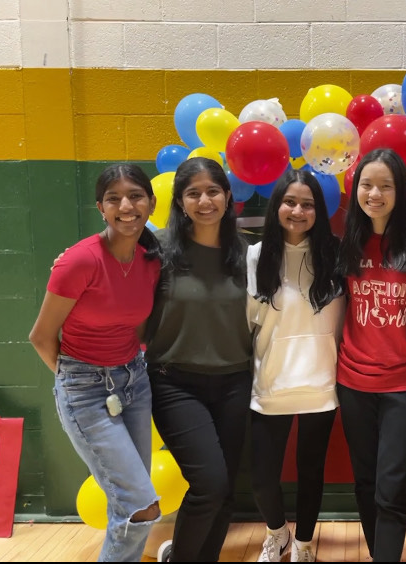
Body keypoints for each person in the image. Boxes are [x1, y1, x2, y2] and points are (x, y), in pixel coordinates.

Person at [28, 164, 162, 562]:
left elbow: (138, 327)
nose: (126, 205)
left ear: (151, 203)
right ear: (100, 208)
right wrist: (76, 382)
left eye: (136, 195)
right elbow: (40, 336)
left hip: (134, 383)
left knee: (127, 504)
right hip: (85, 390)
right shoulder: (79, 261)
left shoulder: (151, 258)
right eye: (114, 198)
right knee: (141, 507)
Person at [144, 157, 253, 562]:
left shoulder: (248, 256)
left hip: (235, 383)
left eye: (212, 191)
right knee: (208, 484)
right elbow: (108, 269)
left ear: (227, 196)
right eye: (193, 193)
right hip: (174, 382)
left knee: (224, 492)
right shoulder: (158, 252)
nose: (204, 200)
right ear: (180, 201)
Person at [334, 148, 406, 562]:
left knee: (391, 489)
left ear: (400, 192)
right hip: (353, 381)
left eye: (385, 185)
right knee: (365, 483)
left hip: (405, 384)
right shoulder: (346, 245)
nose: (375, 193)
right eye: (367, 185)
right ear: (356, 190)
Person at [246, 169, 346, 563]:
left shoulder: (335, 255)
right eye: (290, 202)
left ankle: (304, 545)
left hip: (321, 384)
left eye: (307, 204)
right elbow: (246, 322)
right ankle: (278, 534)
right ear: (277, 207)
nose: (298, 210)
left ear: (318, 211)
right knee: (260, 477)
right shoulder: (255, 257)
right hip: (270, 382)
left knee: (311, 473)